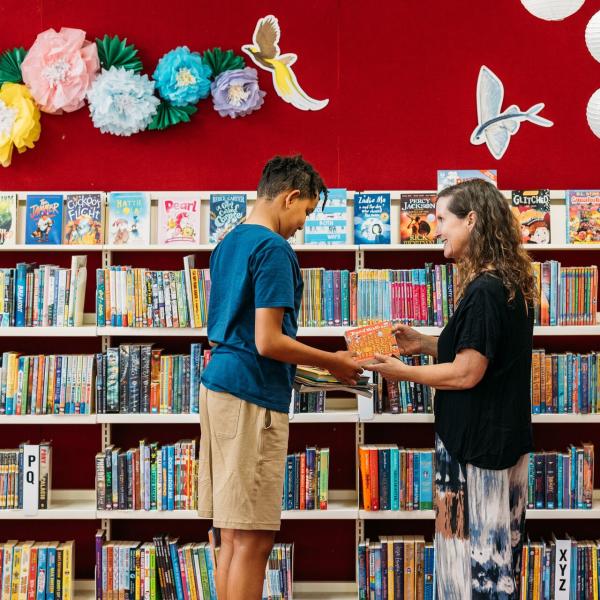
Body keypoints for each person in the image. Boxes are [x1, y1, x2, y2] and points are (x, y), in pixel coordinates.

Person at [199, 155, 362, 600]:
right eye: (305, 212)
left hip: (219, 386)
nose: (302, 224)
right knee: (253, 539)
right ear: (289, 197)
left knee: (230, 535)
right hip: (252, 393)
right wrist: (335, 362)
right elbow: (269, 341)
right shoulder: (273, 249)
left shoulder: (228, 241)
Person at [366, 178, 536, 599]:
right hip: (498, 444)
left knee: (478, 568)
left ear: (472, 220)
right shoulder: (508, 282)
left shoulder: (483, 291)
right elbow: (482, 351)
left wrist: (401, 372)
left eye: (442, 219)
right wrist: (423, 343)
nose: (435, 227)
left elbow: (467, 372)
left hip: (476, 451)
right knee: (497, 556)